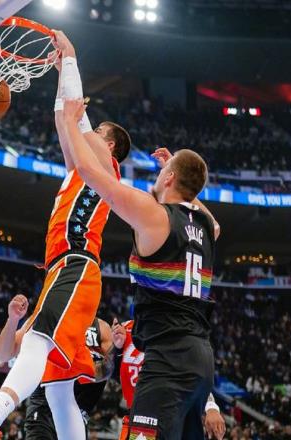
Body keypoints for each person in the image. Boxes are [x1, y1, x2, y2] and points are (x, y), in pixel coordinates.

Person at [0, 31, 131, 440]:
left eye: (97, 128)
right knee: (58, 388)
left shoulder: (106, 165)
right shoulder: (82, 168)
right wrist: (61, 71)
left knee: (38, 341)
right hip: (63, 268)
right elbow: (64, 119)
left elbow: (72, 116)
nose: (89, 126)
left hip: (76, 263)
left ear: (109, 144)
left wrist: (70, 59)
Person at [62, 70, 221, 439]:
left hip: (168, 360)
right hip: (201, 359)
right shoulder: (204, 226)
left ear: (169, 178)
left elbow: (91, 173)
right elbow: (215, 225)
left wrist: (70, 122)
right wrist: (181, 178)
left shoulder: (156, 216)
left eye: (165, 171)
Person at [0, 295, 114, 439]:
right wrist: (13, 319)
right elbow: (3, 355)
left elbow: (109, 369)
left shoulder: (101, 328)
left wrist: (87, 366)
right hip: (44, 406)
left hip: (77, 409)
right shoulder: (44, 316)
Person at [111, 320, 226, 439]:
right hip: (140, 417)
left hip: (170, 414)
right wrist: (117, 350)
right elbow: (111, 375)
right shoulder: (125, 328)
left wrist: (211, 407)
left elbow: (193, 375)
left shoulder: (178, 332)